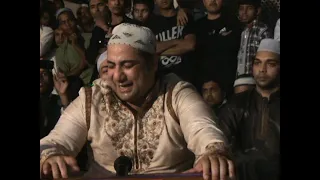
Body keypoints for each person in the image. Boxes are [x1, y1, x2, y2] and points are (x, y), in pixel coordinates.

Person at [40, 23, 235, 180]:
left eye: (127, 65)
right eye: (111, 66)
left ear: (153, 64)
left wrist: (213, 155)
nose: (117, 76)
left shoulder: (176, 93)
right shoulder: (93, 97)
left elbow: (206, 133)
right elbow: (54, 142)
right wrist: (50, 156)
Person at [218, 38, 280, 180]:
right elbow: (221, 144)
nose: (262, 69)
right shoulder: (236, 104)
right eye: (257, 63)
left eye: (270, 64)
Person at [236, 0, 272, 79]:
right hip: (241, 77)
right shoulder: (241, 31)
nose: (244, 12)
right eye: (241, 9)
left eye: (249, 8)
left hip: (255, 78)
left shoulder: (262, 30)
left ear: (257, 11)